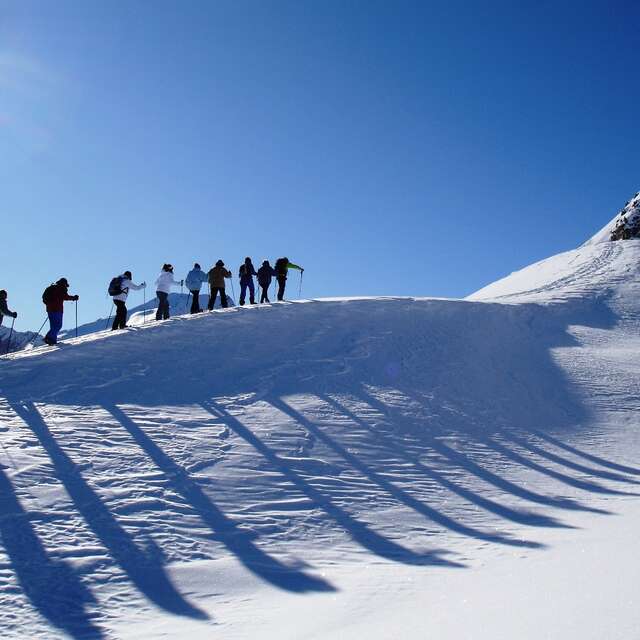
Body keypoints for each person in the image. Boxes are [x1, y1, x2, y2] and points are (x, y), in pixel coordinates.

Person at [42, 278, 78, 345]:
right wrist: (74, 298)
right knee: (58, 325)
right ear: (64, 283)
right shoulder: (61, 288)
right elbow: (65, 297)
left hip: (50, 309)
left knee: (53, 326)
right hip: (57, 309)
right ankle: (49, 338)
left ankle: (52, 341)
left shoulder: (53, 288)